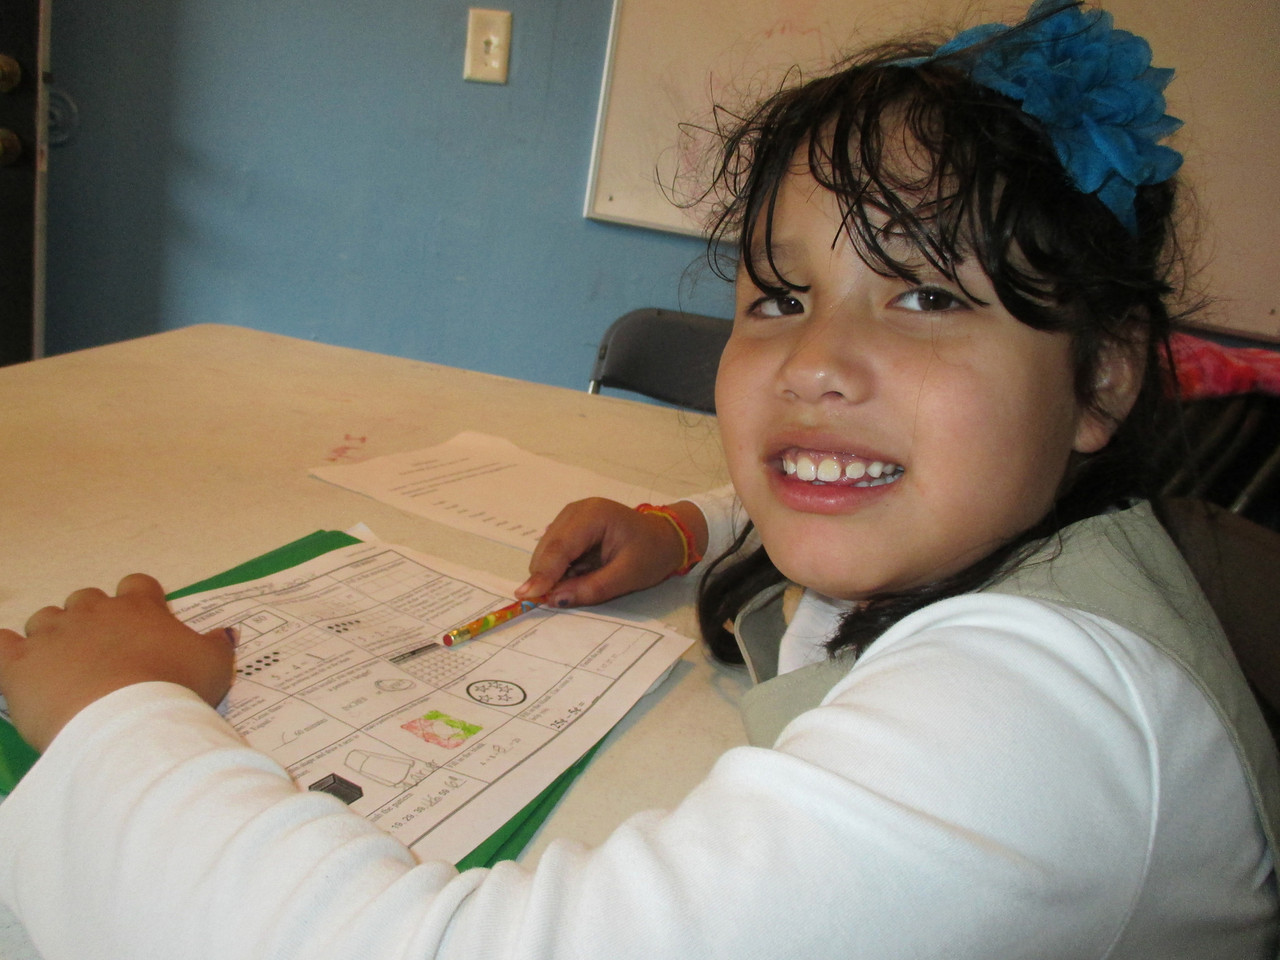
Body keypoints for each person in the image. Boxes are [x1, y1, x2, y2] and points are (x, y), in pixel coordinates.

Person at [1, 2, 1276, 957]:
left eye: (927, 295)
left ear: (1100, 377)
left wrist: (118, 710)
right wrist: (689, 527)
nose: (814, 362)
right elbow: (869, 494)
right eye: (778, 296)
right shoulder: (1039, 537)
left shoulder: (1031, 728)